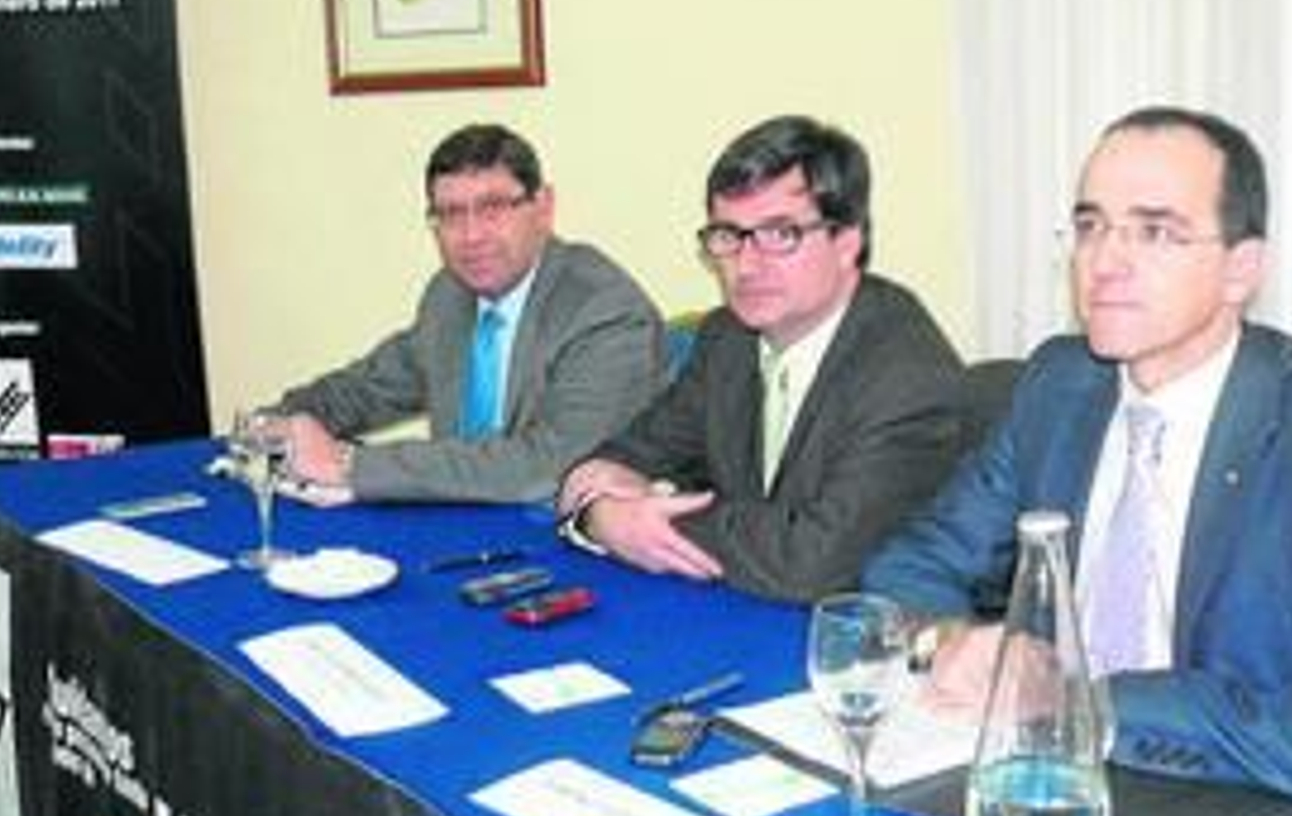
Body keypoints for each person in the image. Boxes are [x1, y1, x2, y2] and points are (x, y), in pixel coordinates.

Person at [862, 105, 1292, 812]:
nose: (1105, 262)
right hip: (1040, 779)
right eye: (1090, 226)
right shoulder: (1058, 385)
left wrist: (1097, 705)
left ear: (1240, 270)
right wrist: (952, 641)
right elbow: (911, 564)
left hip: (1234, 806)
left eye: (1155, 231)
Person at [556, 115, 966, 603]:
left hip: (859, 632)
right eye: (728, 235)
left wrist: (640, 520)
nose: (746, 265)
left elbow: (810, 562)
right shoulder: (726, 338)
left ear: (847, 243)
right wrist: (599, 515)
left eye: (780, 234)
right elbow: (625, 457)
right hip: (747, 607)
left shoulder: (907, 375)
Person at [276, 123, 666, 504]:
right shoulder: (451, 294)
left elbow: (542, 468)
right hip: (462, 524)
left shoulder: (605, 311)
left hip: (561, 530)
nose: (471, 236)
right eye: (450, 213)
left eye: (493, 208)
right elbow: (369, 388)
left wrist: (349, 465)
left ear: (543, 207)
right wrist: (279, 423)